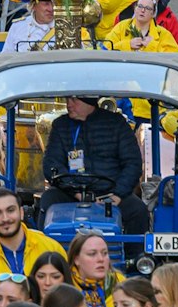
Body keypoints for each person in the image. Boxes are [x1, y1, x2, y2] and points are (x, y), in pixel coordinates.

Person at [40, 95, 148, 234]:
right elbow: (51, 164)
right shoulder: (61, 125)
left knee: (137, 210)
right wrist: (76, 192)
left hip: (110, 192)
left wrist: (117, 194)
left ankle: (134, 255)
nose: (68, 104)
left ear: (89, 102)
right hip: (72, 192)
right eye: (67, 99)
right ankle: (48, 252)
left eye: (74, 100)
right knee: (48, 201)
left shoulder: (116, 123)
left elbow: (132, 164)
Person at [0, 187, 67, 307]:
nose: (5, 218)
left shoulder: (50, 248)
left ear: (21, 212)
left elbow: (69, 298)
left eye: (10, 210)